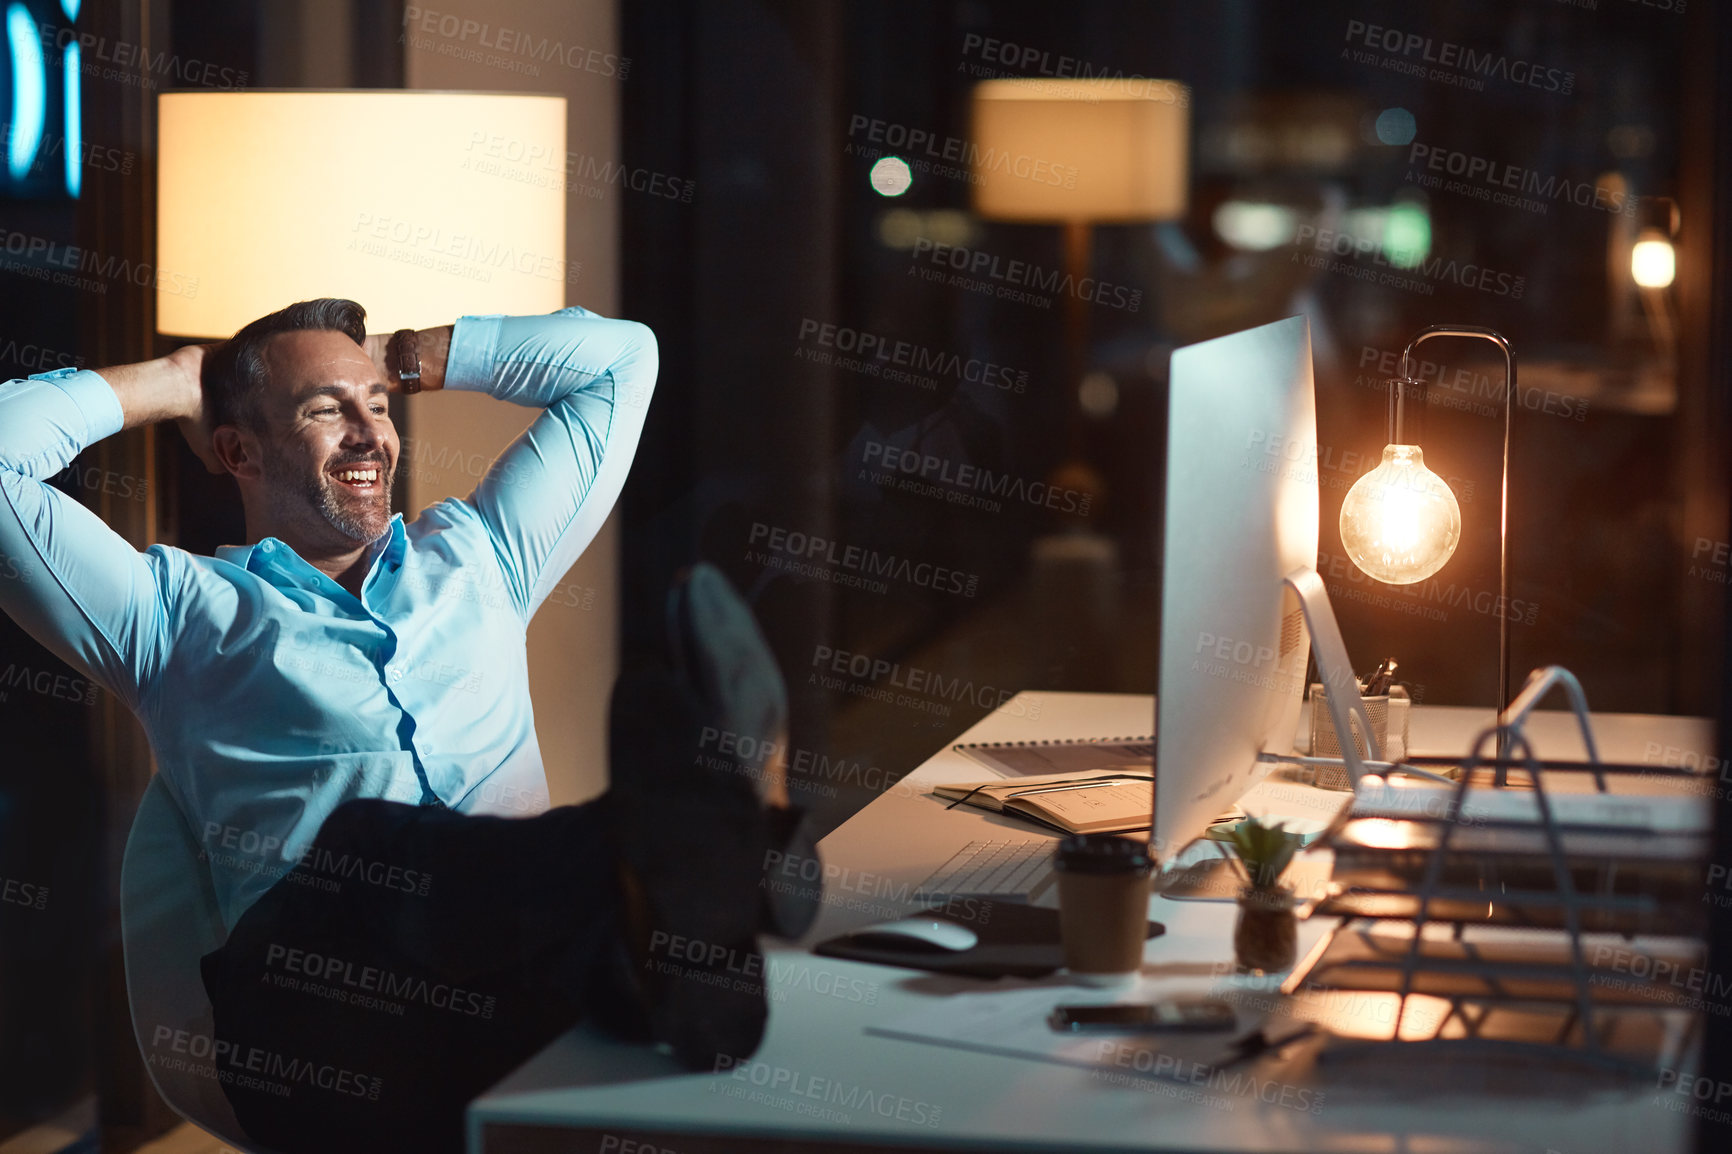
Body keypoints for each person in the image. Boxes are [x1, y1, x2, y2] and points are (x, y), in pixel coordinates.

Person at [0, 300, 819, 1153]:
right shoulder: (168, 614)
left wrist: (396, 358)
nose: (368, 434)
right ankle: (728, 839)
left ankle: (677, 939)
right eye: (325, 410)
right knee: (371, 847)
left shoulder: (481, 554)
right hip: (317, 1016)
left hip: (509, 975)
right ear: (237, 450)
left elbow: (623, 359)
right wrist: (177, 382)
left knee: (568, 953)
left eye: (379, 408)